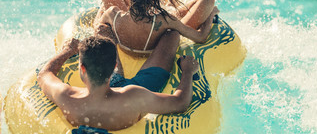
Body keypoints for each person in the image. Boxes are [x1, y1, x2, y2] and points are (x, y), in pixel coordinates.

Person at [37, 29, 199, 131]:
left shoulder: (66, 97)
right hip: (125, 95)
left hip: (113, 91)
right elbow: (180, 103)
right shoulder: (134, 96)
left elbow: (44, 74)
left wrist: (67, 51)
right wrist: (187, 71)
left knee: (103, 29)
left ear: (82, 68)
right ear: (115, 65)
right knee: (171, 35)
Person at [94, 0, 218, 57]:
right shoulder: (165, 19)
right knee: (208, 0)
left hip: (124, 45)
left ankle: (157, 1)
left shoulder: (113, 14)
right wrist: (211, 14)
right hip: (151, 42)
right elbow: (200, 37)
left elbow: (98, 27)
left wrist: (101, 12)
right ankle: (163, 1)